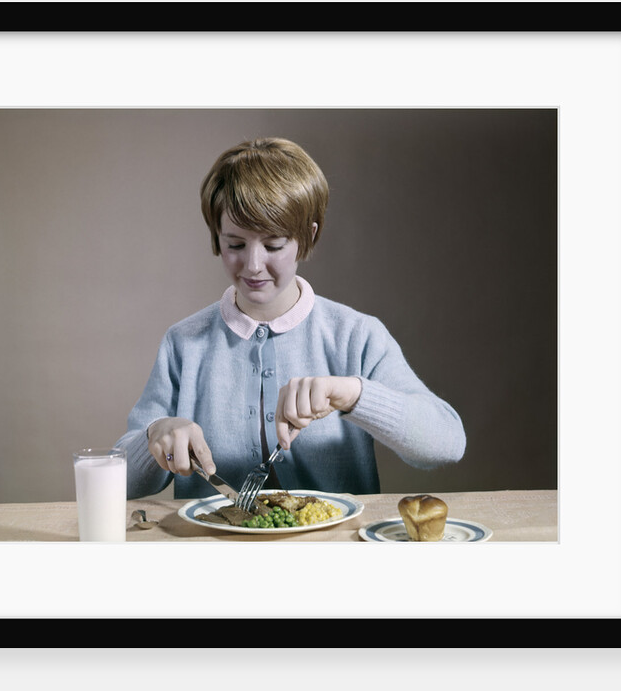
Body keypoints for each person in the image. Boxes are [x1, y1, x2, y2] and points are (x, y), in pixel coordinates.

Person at [115, 137, 466, 500]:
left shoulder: (355, 335)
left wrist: (353, 394)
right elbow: (120, 481)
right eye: (235, 244)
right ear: (216, 238)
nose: (252, 265)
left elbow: (447, 443)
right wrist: (155, 435)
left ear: (307, 236)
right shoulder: (183, 344)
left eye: (273, 245)